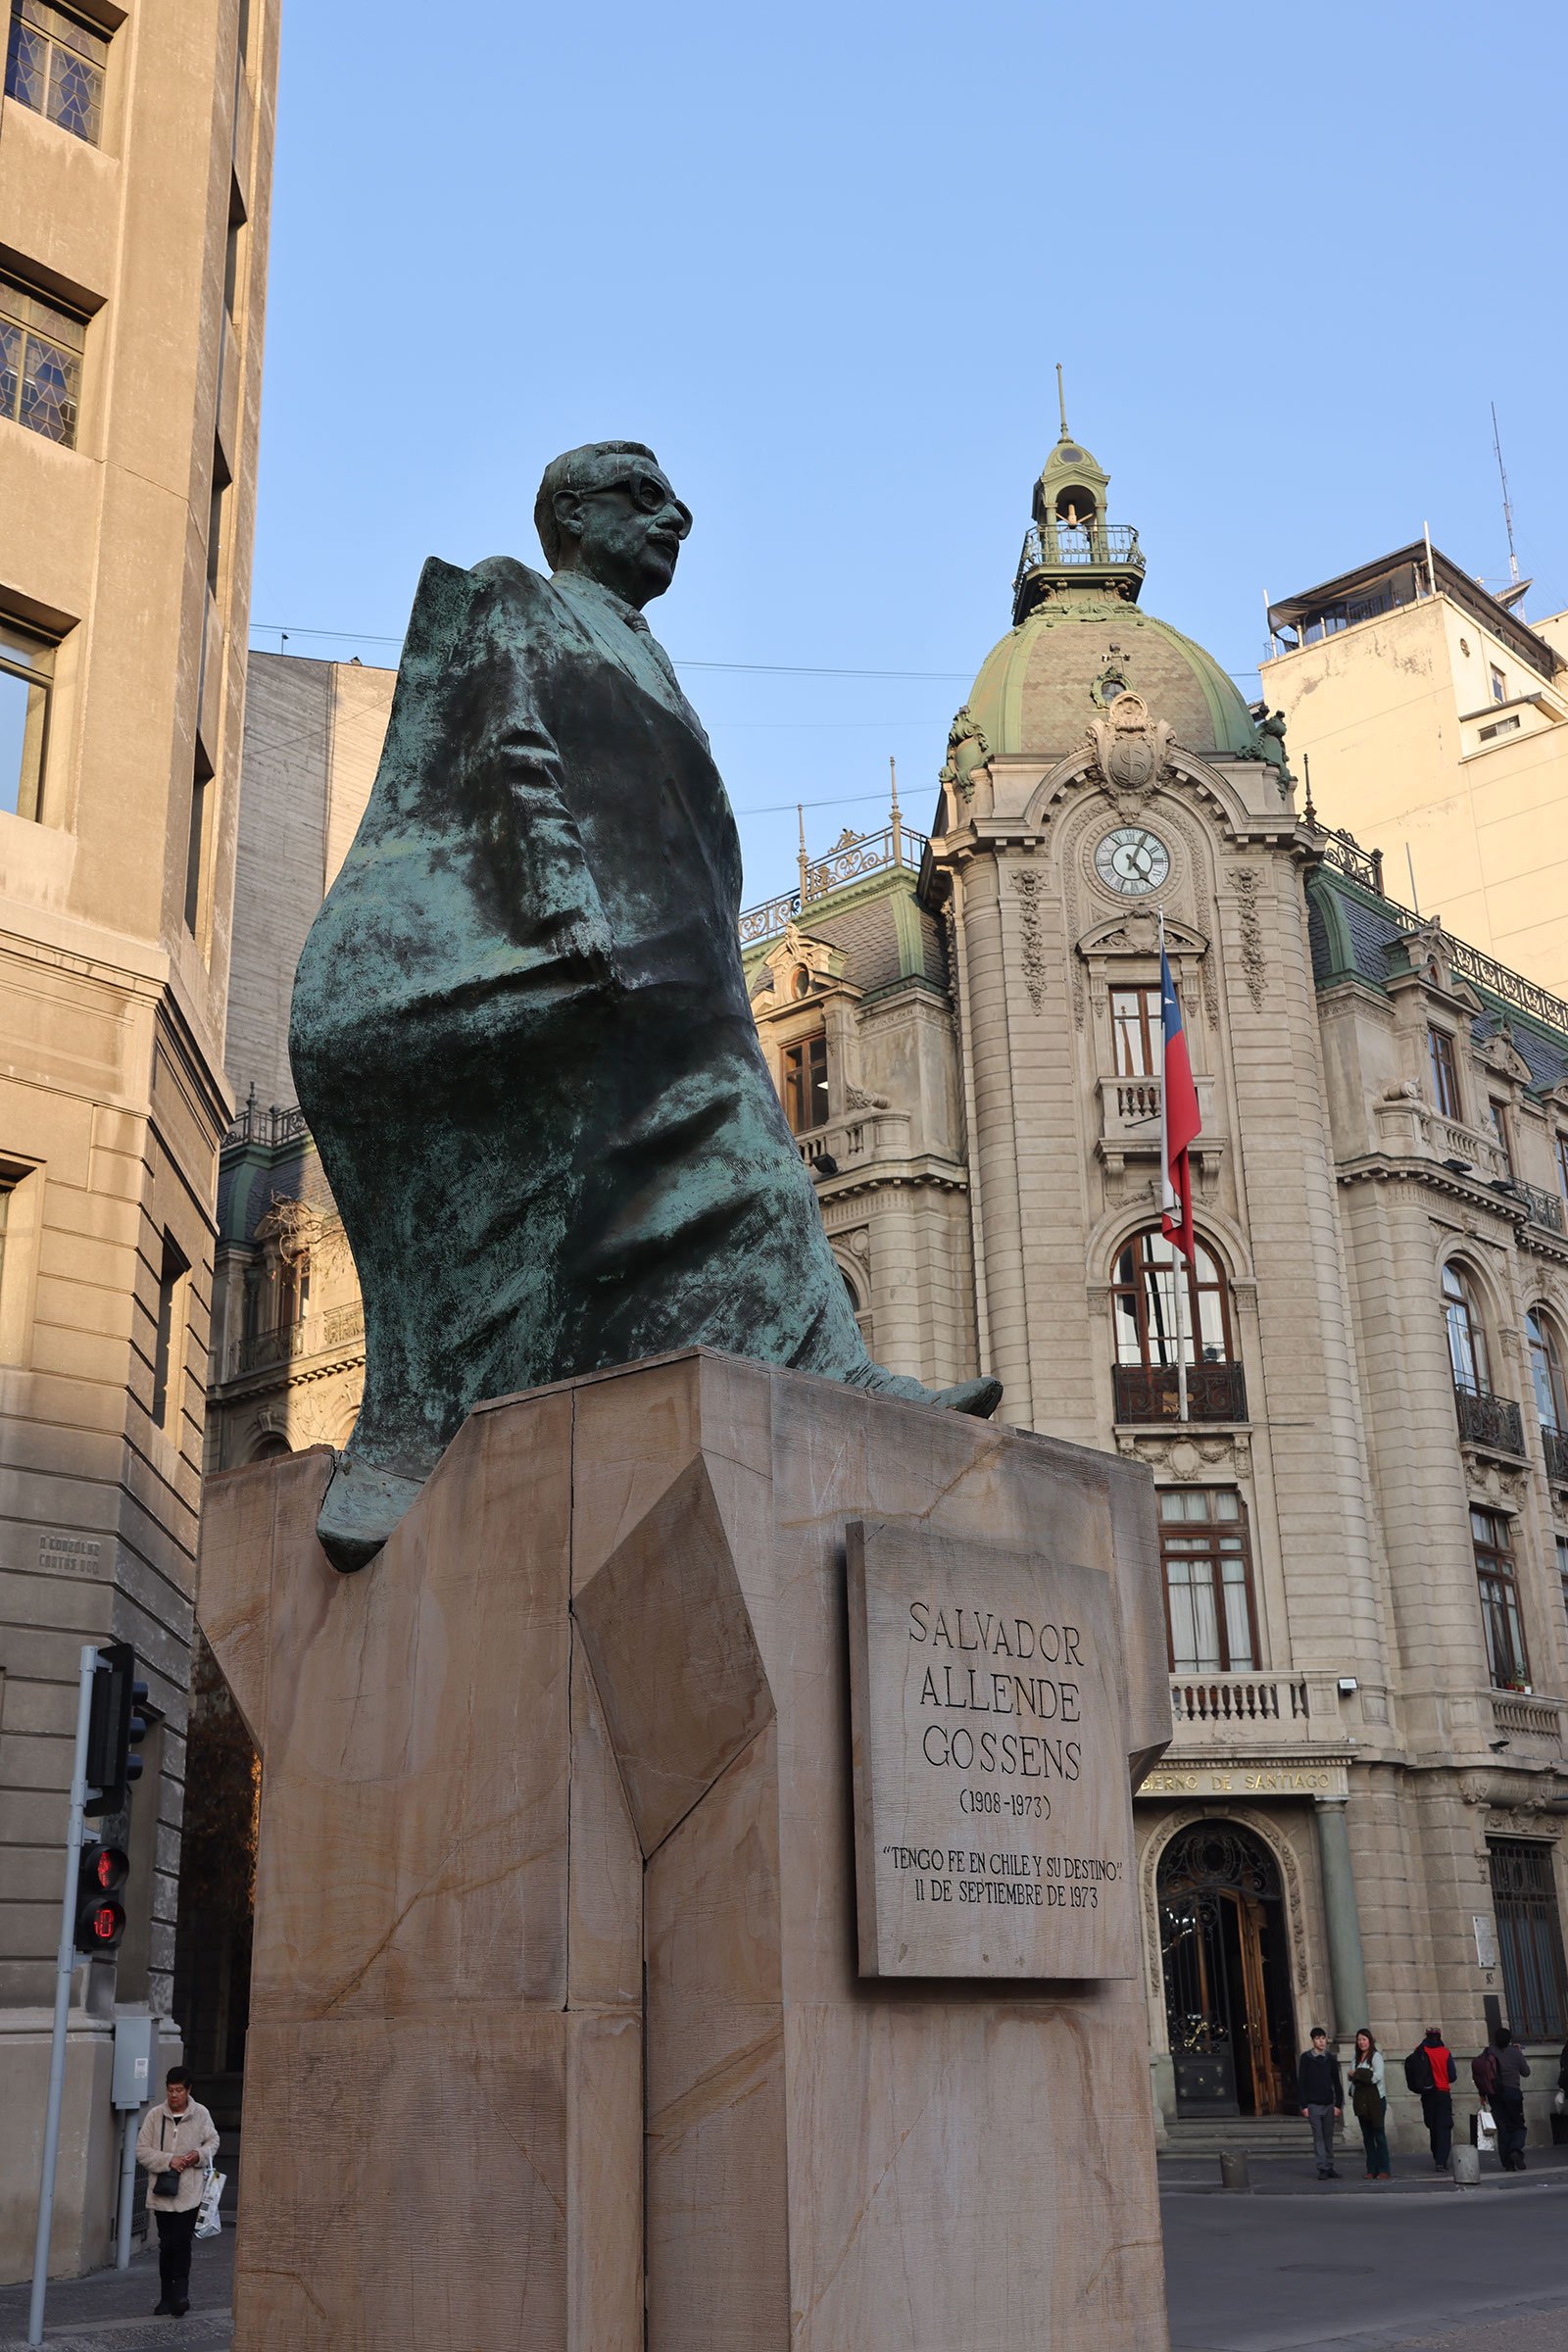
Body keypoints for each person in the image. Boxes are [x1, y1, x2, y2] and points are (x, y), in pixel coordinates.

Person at [290, 441, 1002, 1572]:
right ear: (570, 515)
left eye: (674, 501)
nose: (678, 518)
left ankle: (823, 1359)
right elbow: (509, 752)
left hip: (677, 954)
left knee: (733, 1136)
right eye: (644, 498)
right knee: (711, 1124)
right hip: (576, 943)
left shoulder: (652, 653)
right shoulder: (518, 599)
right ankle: (427, 1425)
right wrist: (561, 900)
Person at [135, 2066, 219, 2317]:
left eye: (179, 2090)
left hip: (189, 2192)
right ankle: (166, 2297)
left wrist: (197, 2155)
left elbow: (213, 2141)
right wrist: (169, 2160)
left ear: (188, 2090)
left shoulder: (201, 2114)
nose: (174, 2096)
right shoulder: (155, 2116)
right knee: (167, 2245)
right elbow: (142, 2150)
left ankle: (181, 2295)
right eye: (171, 2090)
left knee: (182, 2243)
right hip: (162, 2192)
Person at [1297, 2025, 1344, 2179]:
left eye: (1323, 2038)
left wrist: (1338, 2104)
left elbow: (1336, 2082)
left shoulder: (1330, 2059)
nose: (1321, 2042)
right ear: (1312, 2041)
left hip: (1329, 2103)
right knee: (1318, 2136)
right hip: (1313, 2104)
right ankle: (1322, 2167)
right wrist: (1303, 2105)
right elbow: (1301, 2083)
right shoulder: (1306, 2058)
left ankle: (1330, 2166)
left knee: (1328, 2135)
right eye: (1318, 2039)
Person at [1486, 2025, 1532, 2172]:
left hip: (1494, 2094)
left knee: (1503, 2128)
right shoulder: (1515, 2053)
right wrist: (1519, 2054)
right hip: (1513, 2093)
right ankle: (1515, 2150)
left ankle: (1508, 2164)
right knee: (1518, 2125)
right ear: (1509, 2040)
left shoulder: (1488, 2052)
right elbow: (1526, 2072)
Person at [1411, 2027, 1455, 2170]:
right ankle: (1441, 2160)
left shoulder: (1419, 2051)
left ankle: (1437, 2155)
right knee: (1444, 2127)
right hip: (1442, 2092)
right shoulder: (1445, 2053)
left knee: (1433, 2126)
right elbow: (1453, 2076)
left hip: (1427, 2093)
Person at [1349, 2029, 1392, 2179]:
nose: (1362, 2042)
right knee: (1367, 2136)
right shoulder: (1356, 2058)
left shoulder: (1376, 2056)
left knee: (1379, 2135)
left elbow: (1377, 2076)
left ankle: (1384, 2168)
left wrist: (1359, 2075)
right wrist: (1357, 2077)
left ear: (1370, 2041)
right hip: (1361, 2101)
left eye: (1364, 2039)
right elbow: (1351, 2076)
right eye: (1359, 2040)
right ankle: (1371, 2168)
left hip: (1376, 2100)